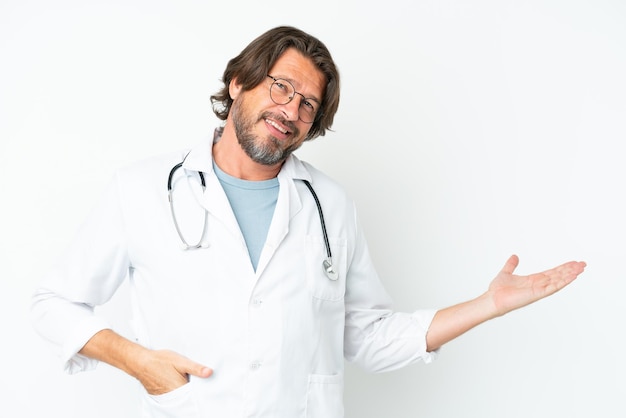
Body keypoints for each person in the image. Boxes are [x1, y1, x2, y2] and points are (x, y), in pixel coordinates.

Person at [31, 26, 586, 418]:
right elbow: (53, 305)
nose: (291, 111)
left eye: (308, 106)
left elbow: (366, 335)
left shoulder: (329, 205)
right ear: (238, 84)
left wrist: (487, 305)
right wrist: (139, 362)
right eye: (281, 87)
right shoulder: (144, 189)